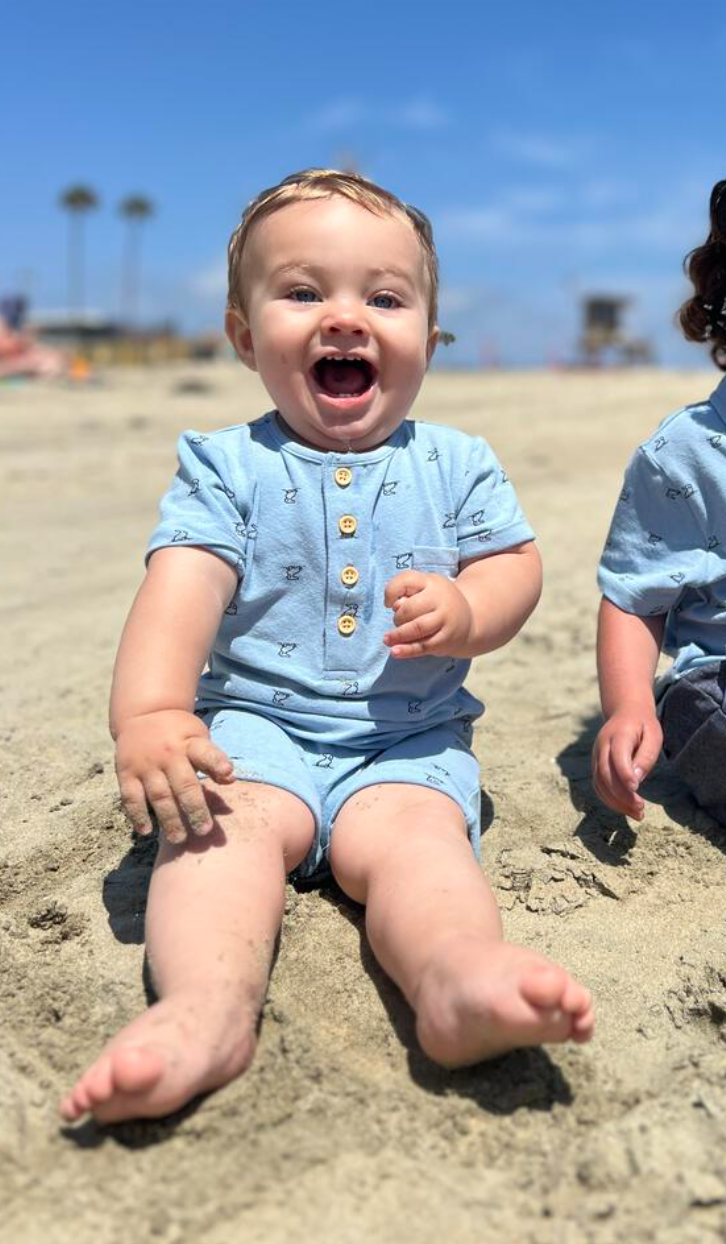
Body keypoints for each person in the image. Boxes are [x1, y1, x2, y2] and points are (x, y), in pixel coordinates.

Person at [61, 169, 594, 1125]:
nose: (344, 318)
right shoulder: (229, 465)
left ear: (426, 343)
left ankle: (454, 981)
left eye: (383, 298)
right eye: (303, 292)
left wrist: (470, 611)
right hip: (254, 734)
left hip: (407, 745)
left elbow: (516, 567)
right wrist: (150, 713)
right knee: (216, 845)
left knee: (422, 855)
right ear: (242, 334)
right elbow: (183, 586)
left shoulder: (457, 461)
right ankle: (206, 1008)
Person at [593, 179, 726, 825]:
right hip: (719, 677)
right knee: (712, 726)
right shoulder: (685, 456)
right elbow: (633, 597)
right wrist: (628, 706)